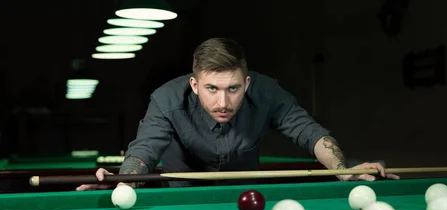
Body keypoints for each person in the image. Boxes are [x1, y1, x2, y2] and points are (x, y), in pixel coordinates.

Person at [76, 38, 398, 191]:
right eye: (212, 89)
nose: (223, 102)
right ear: (194, 84)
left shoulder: (266, 92)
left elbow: (310, 133)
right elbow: (144, 151)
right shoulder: (167, 99)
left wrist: (341, 170)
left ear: (246, 83)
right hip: (180, 202)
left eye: (233, 89)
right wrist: (123, 182)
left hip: (247, 195)